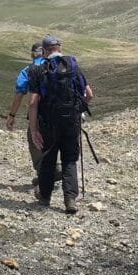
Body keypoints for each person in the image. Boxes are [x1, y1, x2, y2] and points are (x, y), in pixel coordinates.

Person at [28, 35, 93, 214]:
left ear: (44, 51)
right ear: (60, 48)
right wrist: (78, 110)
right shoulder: (73, 67)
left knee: (48, 159)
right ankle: (70, 199)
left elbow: (33, 103)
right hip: (71, 121)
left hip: (48, 123)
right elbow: (89, 94)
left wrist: (34, 130)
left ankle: (44, 196)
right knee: (69, 159)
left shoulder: (38, 70)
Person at [2, 43, 61, 186]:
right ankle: (57, 167)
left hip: (39, 114)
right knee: (53, 139)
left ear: (32, 54)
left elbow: (19, 94)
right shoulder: (60, 66)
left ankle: (46, 173)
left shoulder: (28, 70)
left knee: (34, 140)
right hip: (60, 112)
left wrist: (12, 115)